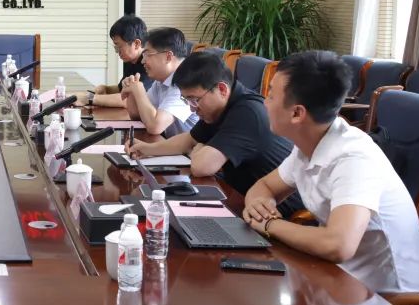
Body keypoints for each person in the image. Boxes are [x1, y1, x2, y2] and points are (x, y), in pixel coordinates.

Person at [243, 50, 419, 294]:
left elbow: (338, 245)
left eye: (270, 96)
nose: (264, 103)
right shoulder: (311, 141)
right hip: (338, 281)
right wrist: (259, 206)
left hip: (388, 302)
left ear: (297, 113)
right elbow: (264, 187)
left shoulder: (354, 159)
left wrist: (269, 224)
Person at [125, 51, 293, 193]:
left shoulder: (248, 112)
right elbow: (188, 140)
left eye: (195, 100)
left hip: (276, 211)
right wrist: (147, 149)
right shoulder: (219, 107)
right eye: (187, 100)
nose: (192, 108)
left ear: (222, 89)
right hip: (242, 194)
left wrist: (198, 147)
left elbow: (201, 167)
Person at [120, 27, 199, 137]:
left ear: (168, 56)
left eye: (147, 55)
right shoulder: (161, 80)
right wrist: (132, 91)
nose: (142, 61)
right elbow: (137, 116)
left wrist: (139, 91)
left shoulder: (185, 82)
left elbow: (155, 127)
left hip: (192, 147)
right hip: (170, 144)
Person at [79, 13, 148, 108]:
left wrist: (88, 98)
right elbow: (122, 89)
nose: (117, 52)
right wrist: (106, 89)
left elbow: (129, 100)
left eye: (119, 47)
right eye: (115, 48)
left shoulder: (148, 64)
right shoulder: (131, 61)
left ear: (136, 44)